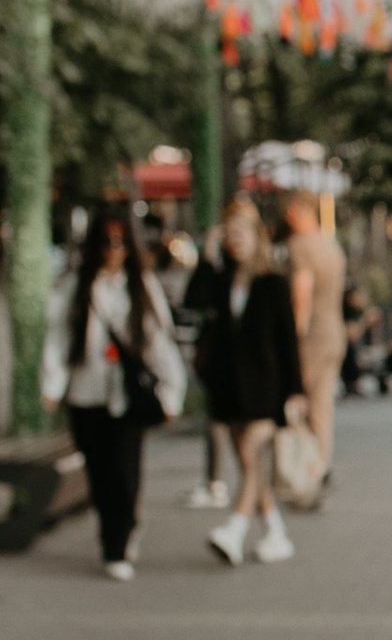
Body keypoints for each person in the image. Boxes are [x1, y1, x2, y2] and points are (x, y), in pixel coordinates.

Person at [41, 195, 185, 582]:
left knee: (125, 470)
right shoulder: (76, 285)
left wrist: (172, 392)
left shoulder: (141, 285)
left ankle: (119, 541)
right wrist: (51, 384)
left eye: (120, 242)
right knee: (99, 471)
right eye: (105, 242)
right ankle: (114, 531)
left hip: (126, 395)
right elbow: (57, 338)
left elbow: (159, 341)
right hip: (85, 392)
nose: (112, 250)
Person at [186, 195, 307, 566]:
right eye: (228, 234)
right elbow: (193, 300)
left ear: (257, 236)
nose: (234, 240)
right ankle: (275, 531)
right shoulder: (221, 280)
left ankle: (235, 528)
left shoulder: (272, 283)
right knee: (247, 461)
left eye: (240, 233)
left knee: (252, 453)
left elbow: (288, 339)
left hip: (265, 386)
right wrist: (206, 256)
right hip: (229, 386)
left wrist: (295, 389)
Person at [279, 191, 347, 484]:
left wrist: (292, 339)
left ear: (294, 211)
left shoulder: (300, 247)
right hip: (334, 331)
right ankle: (321, 463)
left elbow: (300, 296)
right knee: (322, 405)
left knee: (302, 404)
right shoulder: (330, 245)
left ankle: (306, 468)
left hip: (312, 338)